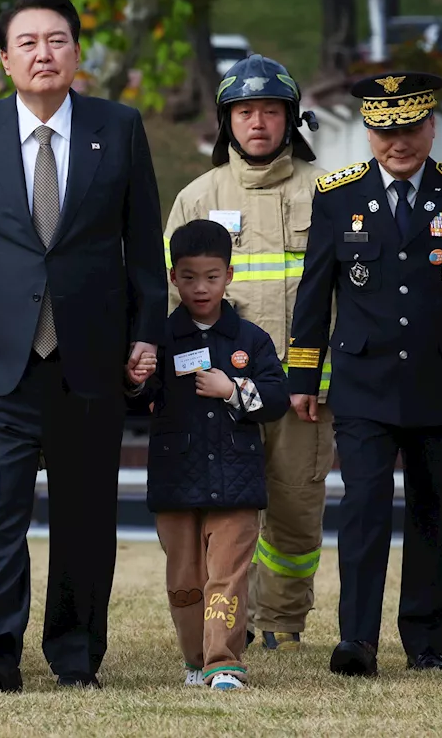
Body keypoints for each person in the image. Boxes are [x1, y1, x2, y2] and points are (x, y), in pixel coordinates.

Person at [0, 0, 167, 692]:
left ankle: (76, 651)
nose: (43, 53)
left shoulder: (116, 127)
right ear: (4, 58)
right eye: (26, 42)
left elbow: (144, 248)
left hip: (91, 356)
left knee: (86, 514)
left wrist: (146, 335)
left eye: (56, 40)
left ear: (77, 51)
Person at [288, 71, 442, 677]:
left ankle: (426, 644)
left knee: (434, 513)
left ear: (431, 126)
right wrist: (304, 377)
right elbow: (315, 291)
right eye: (383, 131)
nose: (396, 143)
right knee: (362, 509)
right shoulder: (338, 196)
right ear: (367, 131)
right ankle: (356, 640)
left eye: (408, 128)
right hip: (362, 383)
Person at [163, 54, 331, 652]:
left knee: (294, 507)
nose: (257, 123)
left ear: (292, 119)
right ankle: (222, 626)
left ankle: (282, 622)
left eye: (270, 110)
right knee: (221, 512)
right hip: (214, 394)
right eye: (244, 111)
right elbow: (170, 301)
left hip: (302, 394)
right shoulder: (196, 198)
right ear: (225, 121)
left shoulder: (330, 194)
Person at [140, 219, 289, 691]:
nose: (200, 288)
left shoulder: (251, 339)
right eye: (188, 277)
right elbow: (131, 403)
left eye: (210, 277)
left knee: (227, 576)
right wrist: (134, 379)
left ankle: (224, 662)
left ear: (229, 274)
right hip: (176, 479)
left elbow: (278, 399)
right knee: (185, 581)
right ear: (172, 277)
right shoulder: (159, 339)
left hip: (236, 479)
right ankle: (195, 659)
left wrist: (233, 389)